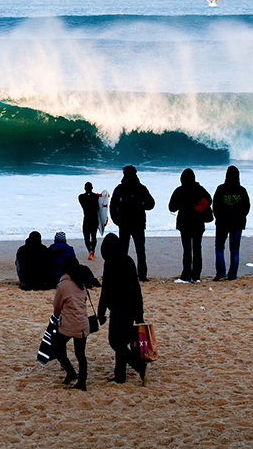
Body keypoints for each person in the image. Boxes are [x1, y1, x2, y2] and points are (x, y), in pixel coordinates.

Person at [96, 234, 146, 385]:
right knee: (121, 342)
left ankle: (139, 366)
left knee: (115, 343)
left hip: (119, 308)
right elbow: (136, 288)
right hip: (130, 307)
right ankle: (120, 376)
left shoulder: (110, 263)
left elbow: (106, 290)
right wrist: (139, 312)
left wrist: (101, 311)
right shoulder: (128, 260)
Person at [110, 166, 155, 281]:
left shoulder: (120, 188)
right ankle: (142, 276)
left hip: (124, 223)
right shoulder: (141, 188)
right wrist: (141, 206)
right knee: (140, 251)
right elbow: (151, 204)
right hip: (138, 223)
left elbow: (112, 206)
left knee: (123, 251)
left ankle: (123, 275)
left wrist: (116, 220)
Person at [52, 257, 90, 391]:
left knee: (57, 347)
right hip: (83, 324)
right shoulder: (81, 283)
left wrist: (56, 318)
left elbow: (57, 306)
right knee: (81, 354)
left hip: (69, 324)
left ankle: (71, 371)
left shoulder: (63, 285)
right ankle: (82, 382)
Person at [168, 168, 212, 283]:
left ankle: (186, 276)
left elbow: (172, 207)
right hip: (198, 223)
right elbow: (209, 200)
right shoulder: (200, 189)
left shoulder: (179, 190)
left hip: (185, 223)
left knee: (187, 250)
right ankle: (196, 276)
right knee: (197, 249)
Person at [212, 165, 250, 281]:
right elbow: (246, 207)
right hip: (237, 223)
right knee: (234, 249)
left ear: (226, 175)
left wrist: (218, 217)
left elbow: (215, 205)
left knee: (219, 247)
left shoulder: (221, 189)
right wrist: (241, 217)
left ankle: (221, 273)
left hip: (223, 222)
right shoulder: (241, 190)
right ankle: (232, 275)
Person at [78, 182, 100, 261]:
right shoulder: (96, 197)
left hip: (87, 218)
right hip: (95, 219)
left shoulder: (81, 197)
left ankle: (89, 250)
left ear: (84, 188)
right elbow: (101, 205)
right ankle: (93, 252)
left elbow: (85, 198)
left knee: (86, 237)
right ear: (92, 188)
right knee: (93, 236)